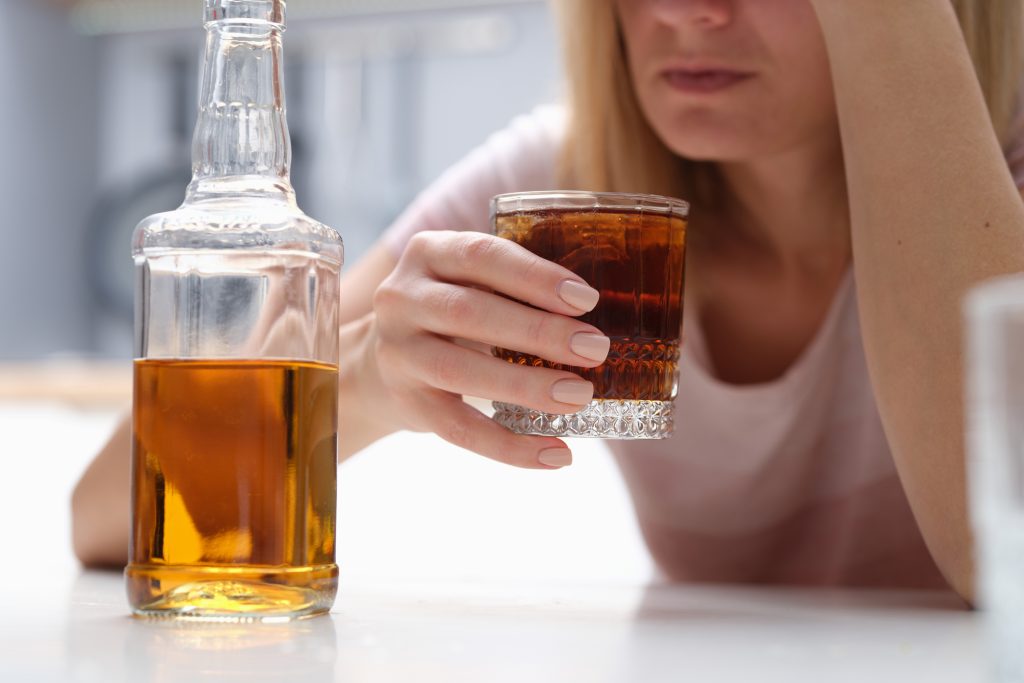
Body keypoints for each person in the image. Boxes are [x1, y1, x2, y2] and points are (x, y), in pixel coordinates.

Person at [72, 0, 1024, 604]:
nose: (691, 12)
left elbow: (1004, 558)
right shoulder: (567, 191)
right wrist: (357, 383)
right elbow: (105, 514)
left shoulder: (1002, 193)